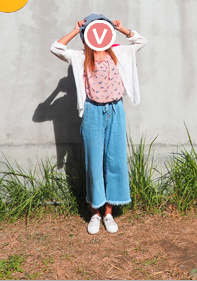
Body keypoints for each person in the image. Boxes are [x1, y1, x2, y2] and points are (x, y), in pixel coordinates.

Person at [50, 14, 146, 234]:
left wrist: (122, 29)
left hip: (115, 110)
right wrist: (75, 29)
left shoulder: (118, 52)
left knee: (115, 160)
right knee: (94, 162)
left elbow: (140, 42)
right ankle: (94, 212)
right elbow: (56, 48)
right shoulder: (81, 56)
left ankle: (109, 213)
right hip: (93, 110)